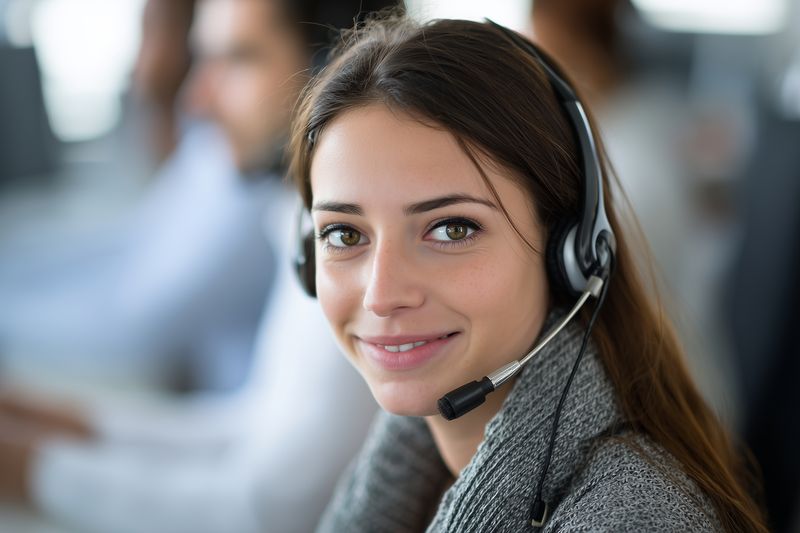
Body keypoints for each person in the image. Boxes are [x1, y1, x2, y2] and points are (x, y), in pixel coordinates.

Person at [288, 14, 767, 532]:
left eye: (451, 229)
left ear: (570, 250)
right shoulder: (412, 471)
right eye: (344, 234)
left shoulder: (633, 517)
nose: (382, 295)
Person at [0, 1, 401, 531]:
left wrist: (31, 467)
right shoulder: (300, 218)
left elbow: (270, 510)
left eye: (238, 60)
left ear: (335, 67)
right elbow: (258, 428)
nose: (197, 98)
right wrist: (63, 425)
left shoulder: (360, 246)